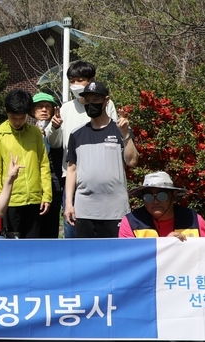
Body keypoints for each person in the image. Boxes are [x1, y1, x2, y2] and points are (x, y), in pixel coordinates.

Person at [45, 61, 118, 239]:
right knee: (72, 227)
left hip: (102, 178)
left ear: (91, 80)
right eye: (72, 80)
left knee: (103, 229)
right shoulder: (65, 108)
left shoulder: (106, 105)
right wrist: (54, 128)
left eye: (80, 80)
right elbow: (55, 143)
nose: (75, 84)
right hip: (73, 178)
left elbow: (116, 138)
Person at [64, 81, 138, 238]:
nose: (91, 104)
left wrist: (125, 134)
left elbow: (132, 161)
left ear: (106, 101)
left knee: (115, 252)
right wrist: (69, 204)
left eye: (96, 100)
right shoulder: (76, 134)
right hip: (84, 210)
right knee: (86, 252)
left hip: (115, 210)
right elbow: (71, 170)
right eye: (87, 100)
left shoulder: (121, 130)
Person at [119, 171, 205, 253]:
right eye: (148, 196)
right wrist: (165, 244)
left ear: (174, 196)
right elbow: (127, 258)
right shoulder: (130, 222)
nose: (155, 201)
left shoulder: (194, 220)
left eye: (162, 195)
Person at [0, 90, 52, 238]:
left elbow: (43, 164)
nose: (17, 122)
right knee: (12, 243)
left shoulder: (35, 133)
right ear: (6, 111)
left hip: (35, 200)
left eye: (22, 118)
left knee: (33, 244)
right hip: (10, 201)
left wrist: (46, 195)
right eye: (13, 117)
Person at [32, 92, 64, 238]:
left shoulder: (59, 129)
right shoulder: (27, 131)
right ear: (33, 110)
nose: (44, 110)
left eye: (47, 106)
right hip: (33, 182)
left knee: (51, 224)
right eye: (40, 106)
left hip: (54, 180)